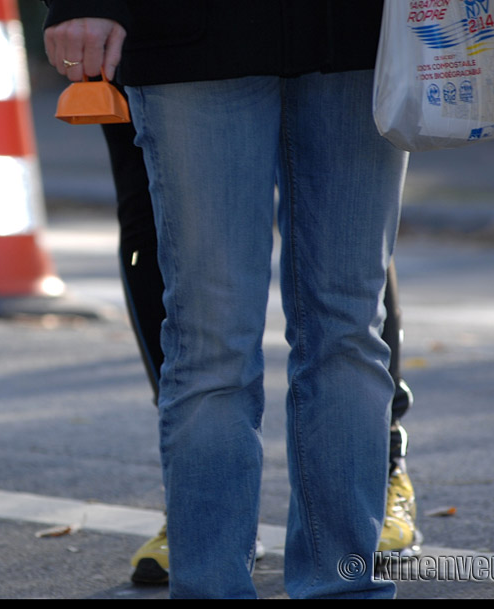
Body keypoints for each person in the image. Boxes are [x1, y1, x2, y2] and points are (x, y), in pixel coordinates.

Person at [41, 0, 409, 598]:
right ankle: (210, 589)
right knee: (214, 339)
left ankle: (345, 588)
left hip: (363, 14)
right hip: (191, 15)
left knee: (348, 330)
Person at [104, 111, 421, 584]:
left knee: (344, 307)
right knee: (201, 321)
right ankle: (201, 522)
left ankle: (381, 474)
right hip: (183, 48)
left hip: (344, 47)